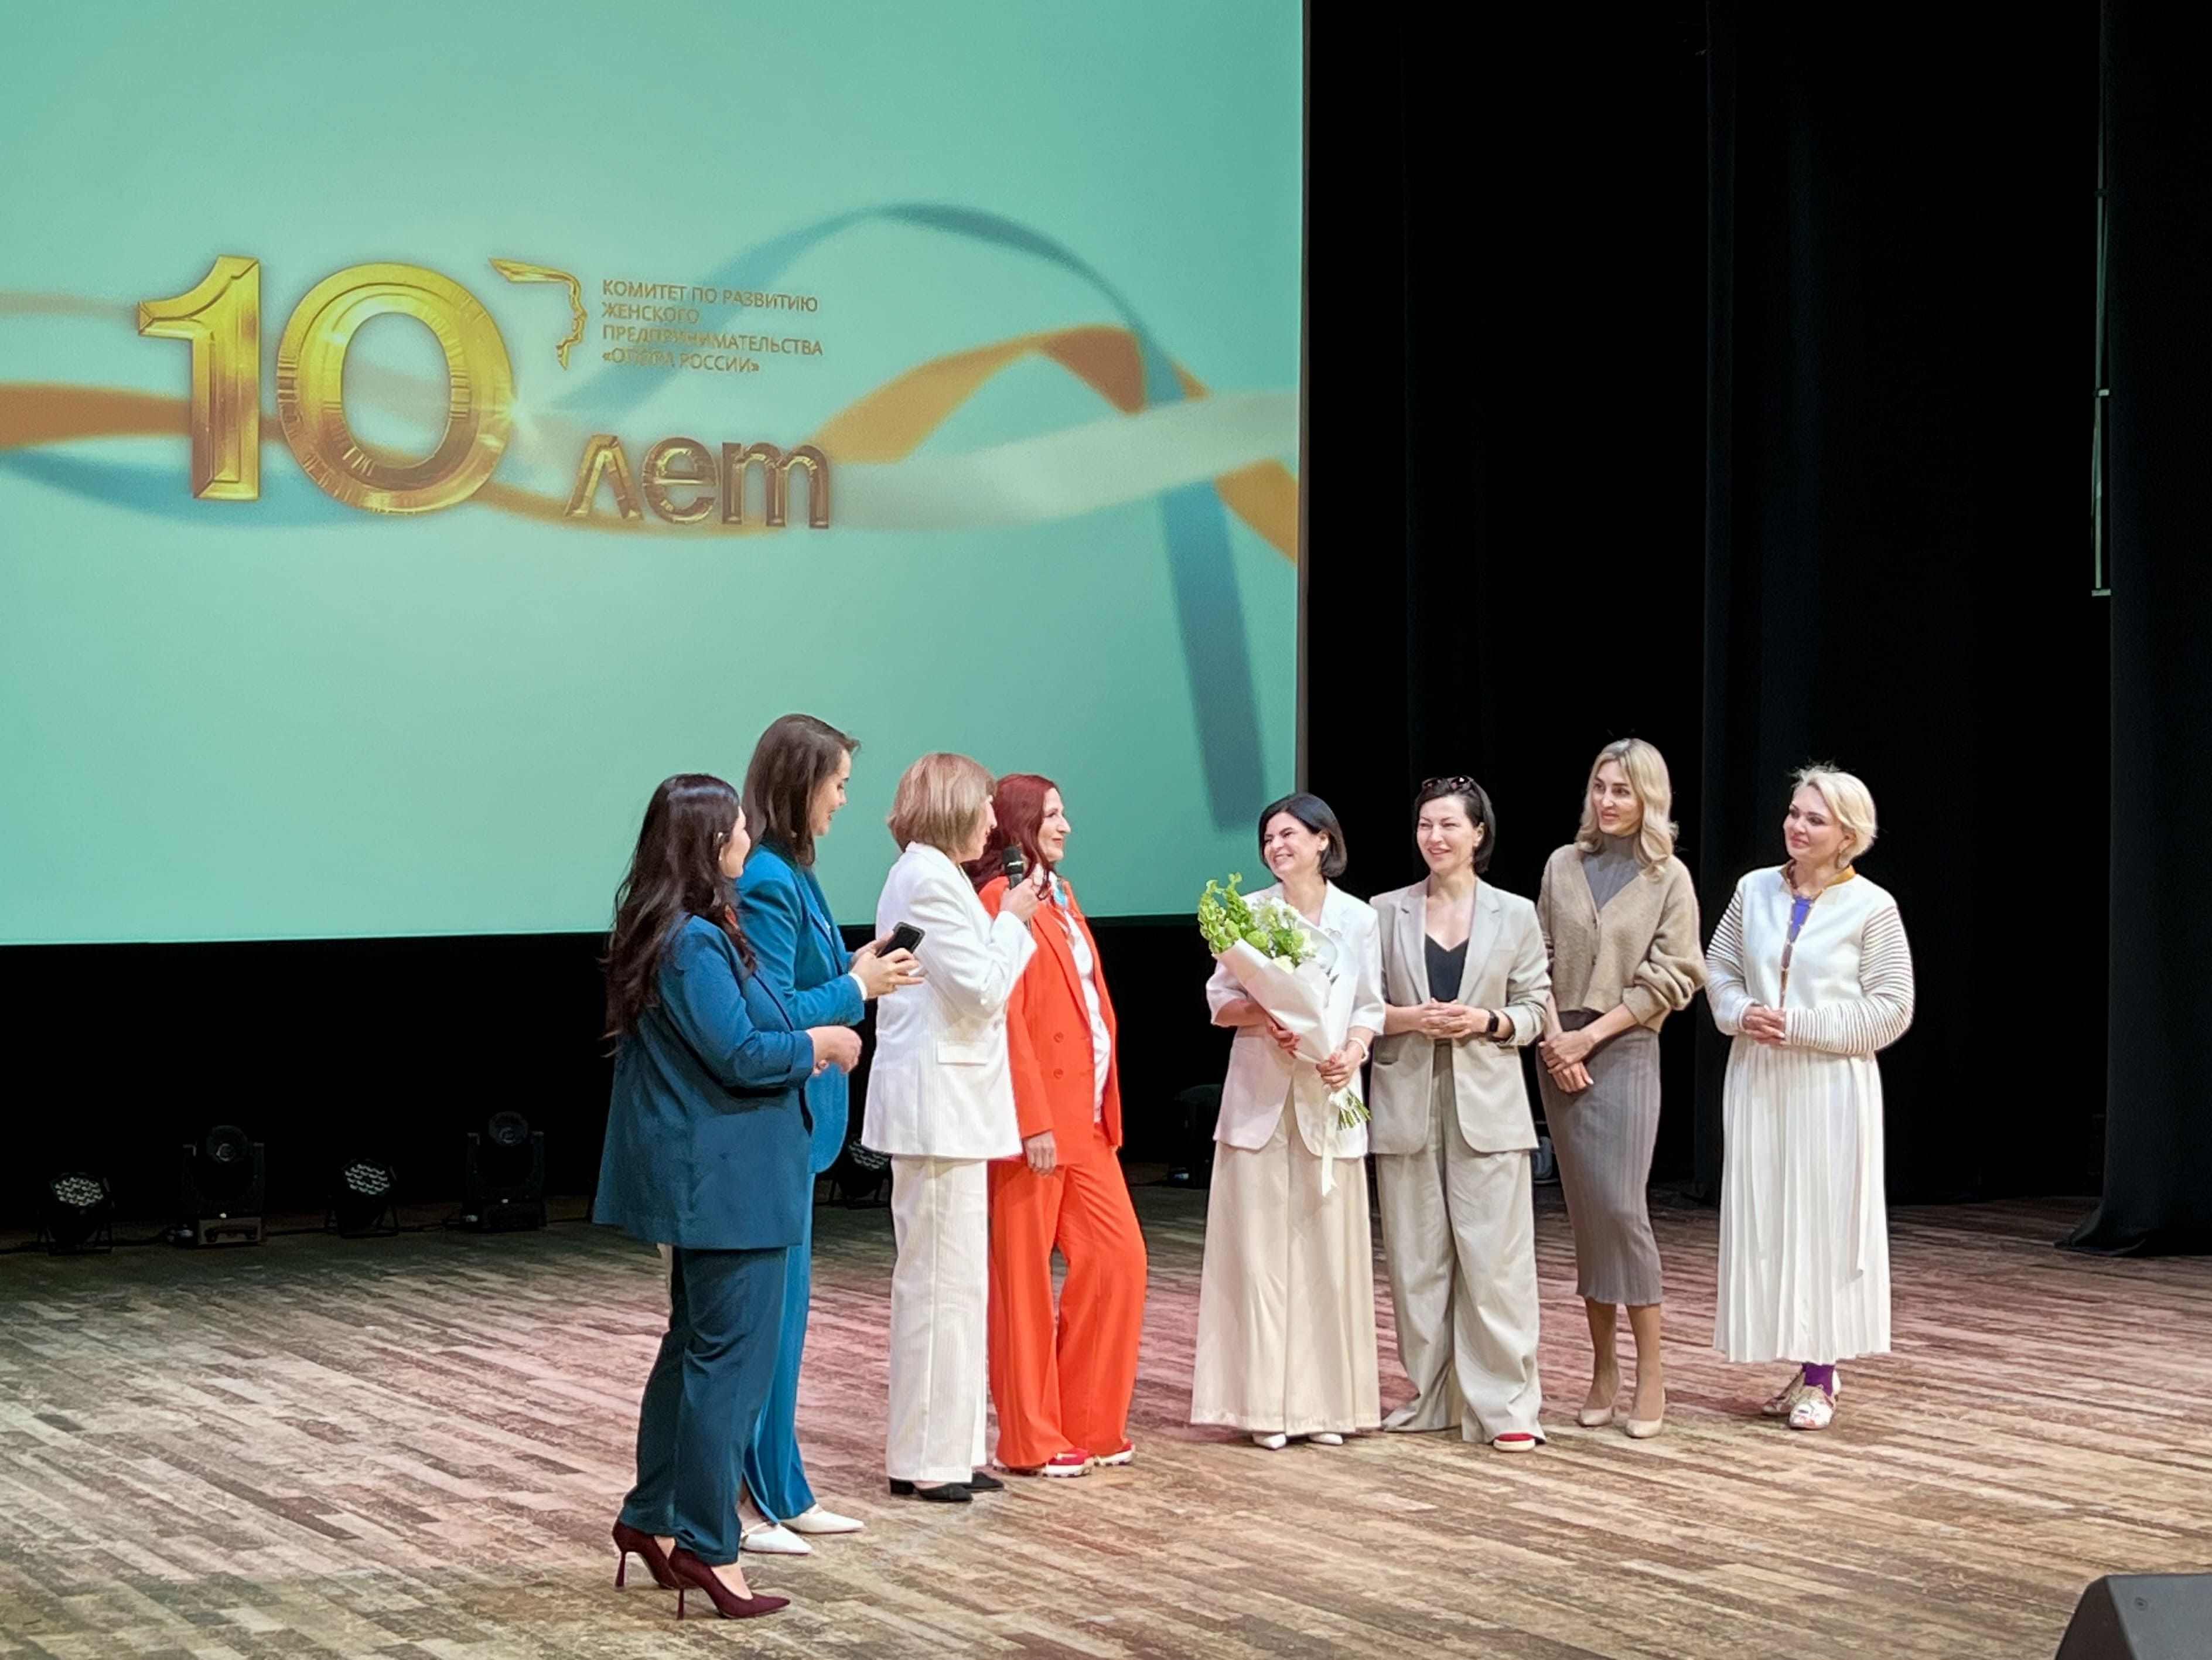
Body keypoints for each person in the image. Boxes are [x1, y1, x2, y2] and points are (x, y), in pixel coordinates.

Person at [593, 775, 862, 1620]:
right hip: (728, 1186)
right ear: (713, 844)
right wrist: (818, 1045)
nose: (750, 837)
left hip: (722, 1181)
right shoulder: (694, 944)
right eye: (739, 828)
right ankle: (710, 1546)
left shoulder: (688, 932)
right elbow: (740, 1052)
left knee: (694, 1352)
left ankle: (652, 1515)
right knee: (727, 1367)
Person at [732, 715, 920, 1555]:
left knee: (789, 1321)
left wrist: (855, 965)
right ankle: (750, 1500)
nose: (844, 800)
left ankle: (784, 1489)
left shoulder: (795, 872)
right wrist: (857, 986)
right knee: (765, 1326)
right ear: (800, 783)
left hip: (803, 1128)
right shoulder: (767, 879)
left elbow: (806, 977)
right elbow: (774, 1012)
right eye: (837, 783)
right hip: (777, 1126)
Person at [1705, 765, 1915, 1431]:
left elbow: (1892, 1008)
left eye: (1814, 819)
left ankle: (1822, 1376)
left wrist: (1801, 1025)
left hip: (1829, 1088)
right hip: (1760, 1075)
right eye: (1794, 812)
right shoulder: (1753, 890)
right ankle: (1801, 1361)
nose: (1796, 826)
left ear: (1847, 834)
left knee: (1823, 1225)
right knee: (1770, 1220)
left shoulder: (1872, 907)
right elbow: (1718, 968)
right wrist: (1741, 1012)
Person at [863, 752, 1047, 1499]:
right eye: (982, 806)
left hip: (949, 1106)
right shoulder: (929, 880)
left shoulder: (932, 874)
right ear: (951, 809)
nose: (992, 821)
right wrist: (1012, 921)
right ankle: (928, 1458)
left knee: (955, 1282)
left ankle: (948, 1447)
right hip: (939, 1107)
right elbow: (979, 990)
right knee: (939, 1284)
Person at [1190, 792, 1385, 1450]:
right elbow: (1219, 999)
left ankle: (1325, 1407)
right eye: (1268, 838)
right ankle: (1262, 1408)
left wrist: (1352, 1051)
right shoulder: (1247, 913)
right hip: (1260, 1099)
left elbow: (1370, 1005)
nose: (1276, 846)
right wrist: (1265, 1013)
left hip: (1328, 1094)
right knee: (1260, 1258)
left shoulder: (1358, 918)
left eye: (1288, 835)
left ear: (1322, 840)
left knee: (1328, 1257)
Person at [1368, 776, 1554, 1451]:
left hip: (1489, 1106)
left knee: (1495, 1264)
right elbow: (1360, 1006)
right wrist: (1409, 1018)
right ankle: (1432, 1396)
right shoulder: (1383, 911)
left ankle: (1506, 1405)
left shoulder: (1515, 913)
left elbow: (1535, 1009)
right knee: (1416, 1262)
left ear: (1478, 833)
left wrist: (1486, 1020)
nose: (1435, 837)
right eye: (1425, 825)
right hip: (1406, 1102)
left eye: (1449, 824)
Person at [974, 775, 1148, 1477]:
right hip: (1036, 1124)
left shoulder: (1062, 895)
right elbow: (1007, 1019)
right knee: (1021, 1283)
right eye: (1050, 814)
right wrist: (1031, 1119)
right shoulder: (999, 899)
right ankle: (1030, 1437)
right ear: (1018, 823)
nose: (1065, 824)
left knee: (1118, 1258)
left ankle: (1090, 1422)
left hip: (1087, 1114)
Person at [1534, 739, 1706, 1440]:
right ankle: (1602, 1369)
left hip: (1625, 1046)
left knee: (1619, 1207)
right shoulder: (1562, 864)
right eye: (1600, 787)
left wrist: (1589, 1038)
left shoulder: (1668, 877)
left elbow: (1675, 975)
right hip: (1558, 1047)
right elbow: (1536, 958)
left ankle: (1651, 1371)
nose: (1607, 801)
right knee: (1585, 1215)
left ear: (1648, 799)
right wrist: (1555, 1041)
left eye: (1622, 791)